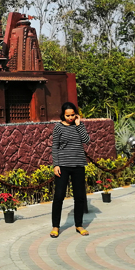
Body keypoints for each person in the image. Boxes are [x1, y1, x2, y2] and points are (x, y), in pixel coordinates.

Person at [50, 101, 90, 238]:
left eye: (73, 115)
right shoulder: (58, 127)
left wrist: (79, 125)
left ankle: (79, 225)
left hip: (79, 165)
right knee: (59, 196)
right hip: (63, 166)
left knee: (79, 197)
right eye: (68, 115)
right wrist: (56, 165)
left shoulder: (79, 125)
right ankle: (55, 226)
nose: (70, 118)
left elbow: (86, 140)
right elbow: (55, 147)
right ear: (63, 115)